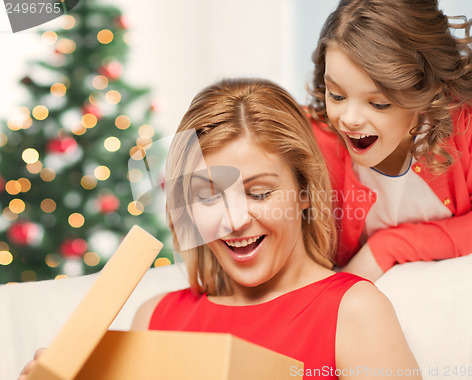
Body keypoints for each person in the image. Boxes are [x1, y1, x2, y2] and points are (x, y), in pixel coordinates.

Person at [130, 79, 422, 379]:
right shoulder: (153, 319)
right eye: (208, 196)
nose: (234, 221)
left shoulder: (354, 312)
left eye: (259, 193)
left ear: (304, 190)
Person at [307, 0, 472, 281]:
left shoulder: (468, 120)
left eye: (378, 104)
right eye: (336, 95)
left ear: (427, 93)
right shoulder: (311, 143)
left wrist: (388, 247)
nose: (349, 119)